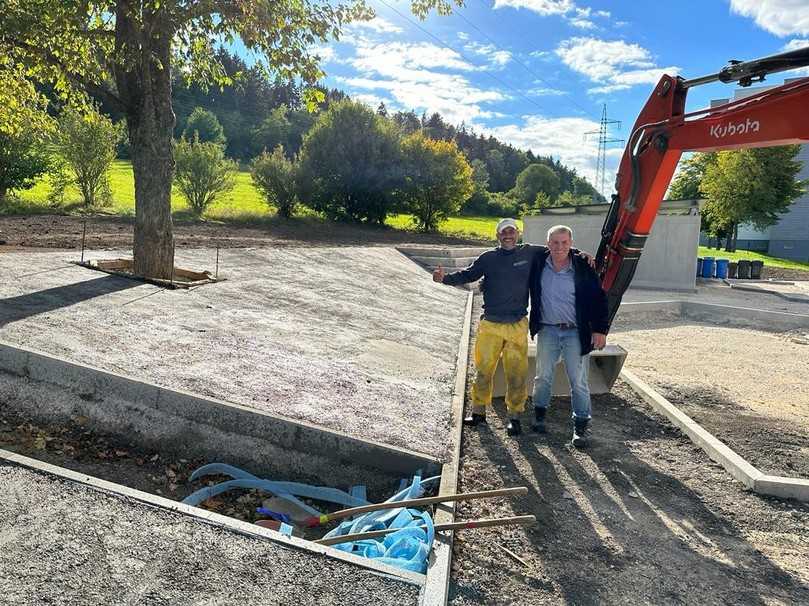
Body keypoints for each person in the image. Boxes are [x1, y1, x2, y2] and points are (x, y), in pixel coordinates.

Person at [433, 218, 589, 437]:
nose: (508, 235)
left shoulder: (530, 252)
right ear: (498, 236)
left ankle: (514, 417)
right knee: (483, 371)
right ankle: (478, 412)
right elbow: (468, 274)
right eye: (503, 232)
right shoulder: (488, 258)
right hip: (490, 325)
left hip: (517, 325)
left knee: (517, 374)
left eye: (512, 231)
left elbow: (558, 247)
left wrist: (581, 254)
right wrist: (444, 279)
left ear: (518, 234)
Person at [528, 224, 609, 447]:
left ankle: (581, 427)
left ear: (571, 244)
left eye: (564, 243)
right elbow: (521, 250)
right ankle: (539, 416)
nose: (559, 247)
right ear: (547, 244)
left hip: (575, 331)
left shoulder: (583, 265)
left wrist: (600, 329)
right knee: (543, 376)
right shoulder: (538, 263)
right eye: (554, 242)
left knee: (578, 380)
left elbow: (600, 298)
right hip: (548, 330)